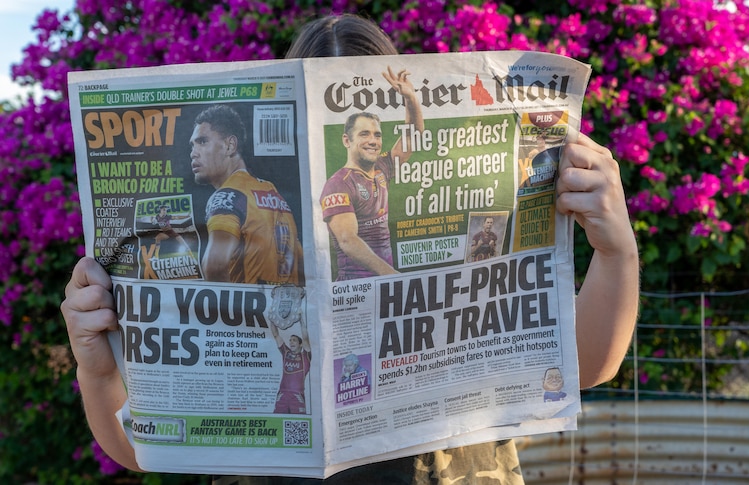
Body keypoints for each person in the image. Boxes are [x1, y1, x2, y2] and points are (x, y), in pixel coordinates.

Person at [61, 13, 639, 485]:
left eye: (375, 129)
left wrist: (616, 251)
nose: (371, 139)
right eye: (358, 131)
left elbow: (588, 364)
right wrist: (94, 362)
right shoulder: (309, 191)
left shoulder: (382, 172)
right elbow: (143, 450)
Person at [319, 69, 424, 281]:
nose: (373, 140)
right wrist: (392, 276)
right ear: (346, 141)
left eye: (377, 135)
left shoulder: (382, 167)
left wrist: (411, 98)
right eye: (364, 134)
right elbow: (348, 240)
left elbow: (412, 139)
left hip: (385, 286)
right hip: (357, 289)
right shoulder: (338, 184)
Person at [190, 104, 304, 284]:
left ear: (230, 145)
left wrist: (228, 311)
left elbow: (215, 266)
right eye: (192, 145)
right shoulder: (273, 193)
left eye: (202, 141)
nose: (193, 153)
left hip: (251, 310)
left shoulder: (227, 196)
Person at [271, 316, 311, 414]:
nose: (291, 342)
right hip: (283, 394)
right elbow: (276, 335)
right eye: (290, 340)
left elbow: (305, 339)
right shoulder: (286, 353)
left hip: (297, 395)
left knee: (298, 422)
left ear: (300, 344)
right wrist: (272, 318)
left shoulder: (305, 356)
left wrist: (302, 321)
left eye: (294, 340)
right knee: (277, 421)